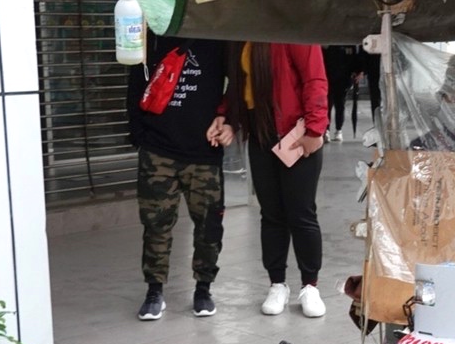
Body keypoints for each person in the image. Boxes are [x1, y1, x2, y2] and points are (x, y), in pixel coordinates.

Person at [128, 35, 233, 321]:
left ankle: (203, 288)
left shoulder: (218, 38)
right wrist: (140, 136)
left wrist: (229, 119)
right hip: (158, 150)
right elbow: (136, 81)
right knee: (156, 224)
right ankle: (154, 291)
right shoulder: (153, 36)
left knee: (209, 226)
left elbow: (237, 83)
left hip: (204, 151)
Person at [228, 41, 330, 318]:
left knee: (302, 214)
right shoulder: (242, 37)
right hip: (260, 134)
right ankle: (277, 284)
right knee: (271, 215)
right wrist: (226, 117)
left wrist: (314, 128)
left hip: (295, 134)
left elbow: (314, 79)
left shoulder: (292, 28)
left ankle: (310, 285)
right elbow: (239, 87)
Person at [323, 45, 355, 141]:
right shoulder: (326, 44)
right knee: (327, 106)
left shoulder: (347, 45)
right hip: (328, 78)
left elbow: (351, 60)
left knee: (340, 105)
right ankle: (326, 130)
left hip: (342, 79)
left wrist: (353, 76)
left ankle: (338, 130)